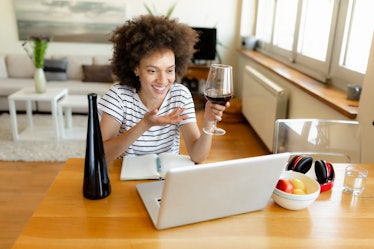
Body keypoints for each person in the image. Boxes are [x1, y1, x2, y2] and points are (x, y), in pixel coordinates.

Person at [98, 15, 230, 163]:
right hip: (124, 176)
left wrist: (208, 124)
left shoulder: (180, 95)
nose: (162, 81)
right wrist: (145, 125)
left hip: (167, 178)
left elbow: (198, 157)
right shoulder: (118, 96)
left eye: (169, 70)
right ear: (136, 68)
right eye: (152, 71)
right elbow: (101, 155)